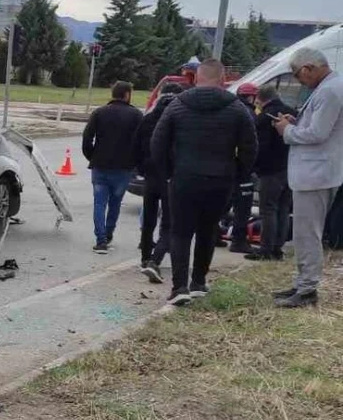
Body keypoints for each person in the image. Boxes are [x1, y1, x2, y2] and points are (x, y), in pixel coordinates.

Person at [152, 59, 258, 306]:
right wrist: (238, 174)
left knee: (180, 231)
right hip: (220, 179)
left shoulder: (177, 106)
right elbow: (250, 148)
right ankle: (199, 281)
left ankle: (179, 286)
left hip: (184, 177)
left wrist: (168, 171)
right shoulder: (237, 109)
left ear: (197, 78)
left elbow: (158, 142)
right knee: (209, 230)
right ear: (222, 80)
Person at [271, 47, 343, 308]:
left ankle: (307, 289)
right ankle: (303, 282)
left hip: (316, 174)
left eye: (298, 75)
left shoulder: (331, 91)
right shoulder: (328, 88)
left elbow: (318, 134)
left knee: (307, 233)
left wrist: (287, 130)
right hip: (315, 172)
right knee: (304, 232)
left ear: (308, 68)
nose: (299, 80)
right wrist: (296, 122)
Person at [82, 81, 143, 254]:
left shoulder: (99, 113)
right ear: (127, 94)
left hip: (100, 165)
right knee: (115, 203)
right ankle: (108, 234)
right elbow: (142, 142)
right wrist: (136, 162)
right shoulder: (136, 115)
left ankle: (100, 240)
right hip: (124, 168)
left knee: (99, 203)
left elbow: (87, 138)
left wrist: (92, 156)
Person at [134, 81, 183, 283]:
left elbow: (136, 145)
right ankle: (156, 259)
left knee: (149, 218)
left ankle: (145, 256)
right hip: (170, 177)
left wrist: (142, 169)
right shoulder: (178, 120)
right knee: (168, 223)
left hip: (150, 176)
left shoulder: (148, 119)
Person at [246, 85, 296, 262]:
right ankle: (277, 248)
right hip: (290, 168)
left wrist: (255, 167)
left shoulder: (263, 118)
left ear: (259, 99)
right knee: (283, 208)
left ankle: (266, 250)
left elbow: (261, 147)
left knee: (268, 210)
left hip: (270, 170)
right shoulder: (291, 112)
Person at [225, 83, 259, 254]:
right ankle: (238, 240)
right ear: (251, 97)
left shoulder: (230, 110)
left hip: (226, 166)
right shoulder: (249, 115)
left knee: (224, 203)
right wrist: (249, 167)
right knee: (243, 208)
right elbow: (250, 145)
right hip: (242, 168)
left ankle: (214, 233)